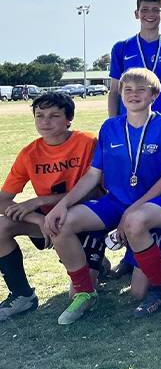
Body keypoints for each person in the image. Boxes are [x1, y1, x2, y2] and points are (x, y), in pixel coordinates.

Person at [44, 69, 161, 323]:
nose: (133, 94)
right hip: (116, 202)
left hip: (156, 202)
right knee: (61, 223)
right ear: (120, 94)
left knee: (139, 292)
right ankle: (86, 292)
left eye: (141, 89)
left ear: (154, 94)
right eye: (127, 89)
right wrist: (62, 205)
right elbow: (93, 175)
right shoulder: (110, 127)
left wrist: (133, 210)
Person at [0, 93, 106, 320]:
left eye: (54, 115)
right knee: (1, 227)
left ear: (69, 119)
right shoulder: (29, 153)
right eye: (40, 116)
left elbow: (93, 191)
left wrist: (40, 201)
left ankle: (96, 263)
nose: (45, 122)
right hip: (50, 222)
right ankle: (22, 295)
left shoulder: (88, 142)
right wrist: (38, 219)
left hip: (86, 217)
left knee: (76, 293)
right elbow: (2, 200)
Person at [109, 0, 161, 119]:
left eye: (156, 10)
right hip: (128, 120)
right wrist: (112, 123)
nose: (150, 14)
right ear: (136, 14)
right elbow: (115, 91)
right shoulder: (121, 48)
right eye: (145, 9)